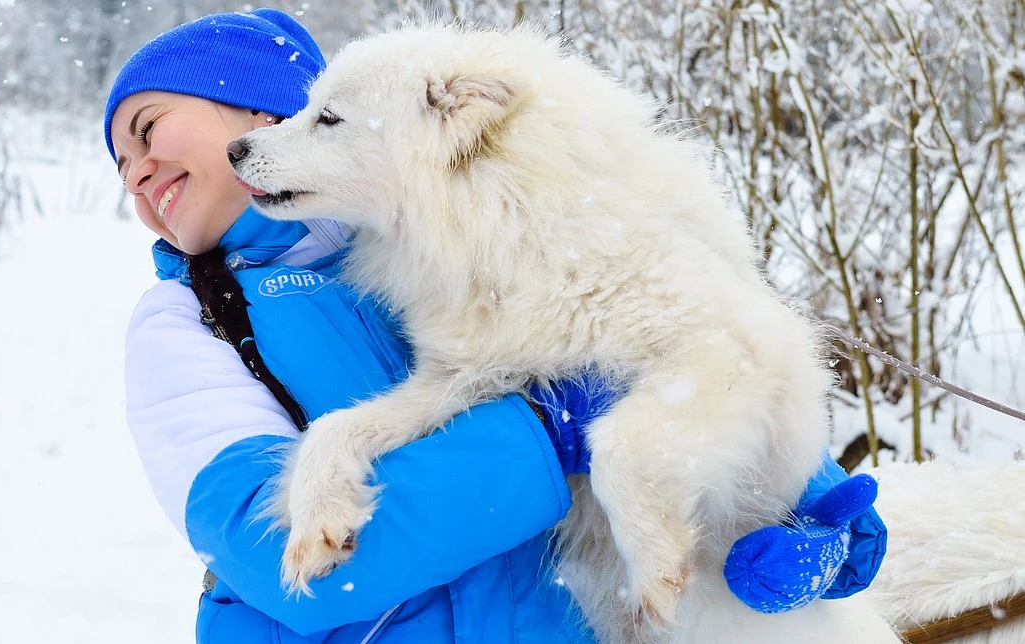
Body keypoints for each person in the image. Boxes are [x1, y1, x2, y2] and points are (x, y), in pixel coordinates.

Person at [105, 9, 887, 643]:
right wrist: (547, 433)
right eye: (118, 163)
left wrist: (804, 491)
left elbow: (704, 346)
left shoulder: (415, 246)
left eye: (148, 128)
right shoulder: (184, 324)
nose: (133, 170)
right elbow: (278, 559)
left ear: (260, 107)